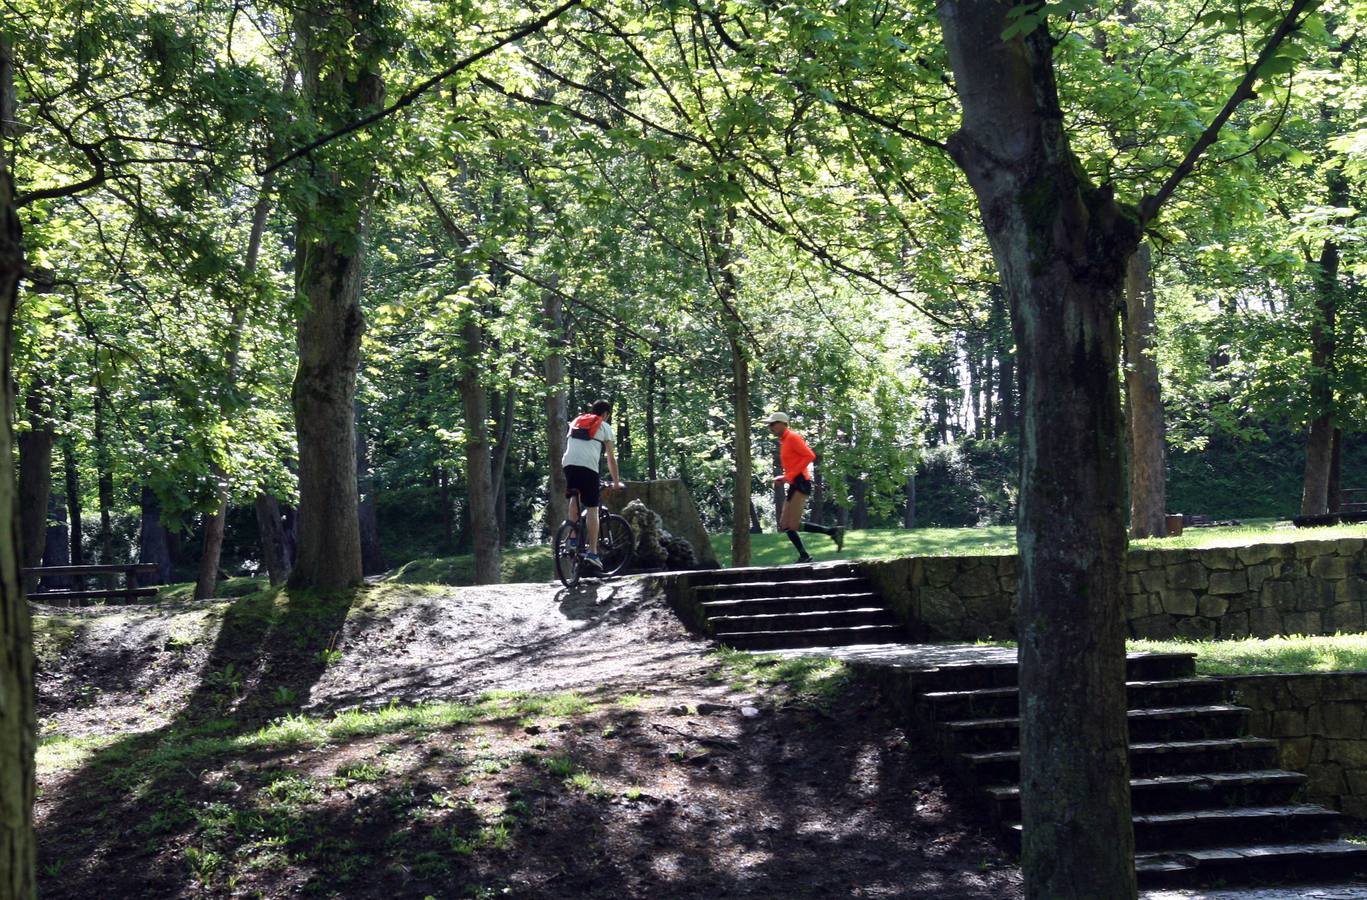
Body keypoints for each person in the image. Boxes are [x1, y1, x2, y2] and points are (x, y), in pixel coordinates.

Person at [764, 411, 843, 563]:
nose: (770, 427)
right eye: (769, 424)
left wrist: (789, 475)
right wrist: (786, 477)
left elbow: (810, 456)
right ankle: (825, 537)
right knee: (785, 524)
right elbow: (794, 464)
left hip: (801, 483)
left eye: (773, 424)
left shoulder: (792, 437)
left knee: (790, 525)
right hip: (795, 482)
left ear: (782, 423)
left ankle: (819, 543)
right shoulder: (784, 441)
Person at [562, 399, 624, 571]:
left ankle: (573, 537)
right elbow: (611, 458)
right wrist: (617, 482)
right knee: (592, 508)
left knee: (574, 496)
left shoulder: (577, 421)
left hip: (568, 464)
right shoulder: (604, 426)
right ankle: (593, 553)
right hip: (588, 467)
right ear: (605, 414)